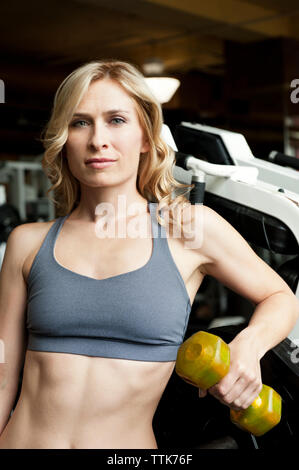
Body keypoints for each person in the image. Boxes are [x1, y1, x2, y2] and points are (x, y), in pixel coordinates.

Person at [0, 59, 298, 449]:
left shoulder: (188, 229)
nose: (97, 140)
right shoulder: (28, 242)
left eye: (117, 120)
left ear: (145, 137)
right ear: (64, 138)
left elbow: (280, 297)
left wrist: (248, 346)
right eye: (80, 122)